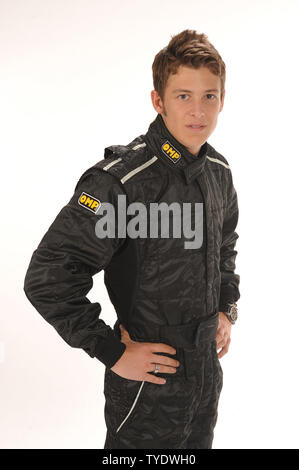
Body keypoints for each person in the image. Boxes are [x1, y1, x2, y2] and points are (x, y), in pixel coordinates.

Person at [24, 29, 240, 449]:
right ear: (158, 101)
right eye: (183, 96)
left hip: (205, 378)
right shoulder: (121, 184)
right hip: (148, 384)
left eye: (209, 96)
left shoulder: (218, 171)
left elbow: (225, 246)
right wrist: (110, 349)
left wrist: (225, 309)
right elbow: (48, 275)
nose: (198, 110)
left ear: (222, 99)